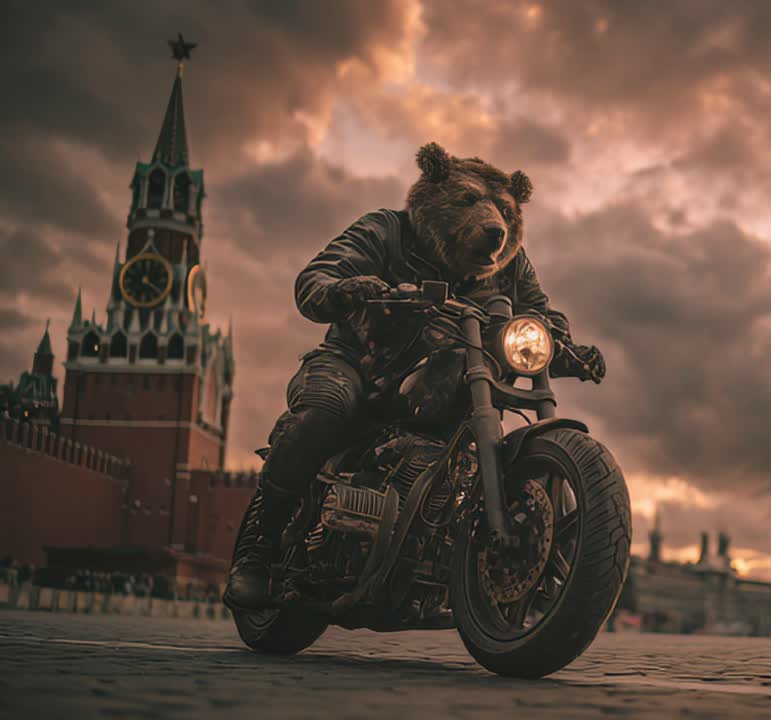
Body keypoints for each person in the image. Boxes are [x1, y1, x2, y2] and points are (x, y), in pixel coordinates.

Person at [224, 143, 605, 609]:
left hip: (446, 373)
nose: (494, 225)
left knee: (461, 433)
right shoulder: (388, 231)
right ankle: (257, 552)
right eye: (467, 202)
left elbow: (537, 316)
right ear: (436, 195)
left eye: (504, 212)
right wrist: (346, 291)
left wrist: (567, 349)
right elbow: (316, 278)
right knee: (325, 409)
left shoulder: (510, 269)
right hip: (355, 365)